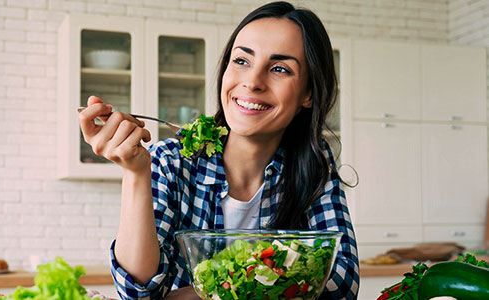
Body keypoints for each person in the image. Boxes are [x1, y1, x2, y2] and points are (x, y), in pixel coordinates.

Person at [78, 1, 359, 299]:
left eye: (279, 69)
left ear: (308, 94)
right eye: (241, 61)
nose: (252, 82)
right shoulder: (171, 160)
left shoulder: (315, 165)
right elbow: (138, 292)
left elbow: (341, 284)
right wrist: (135, 172)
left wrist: (202, 292)